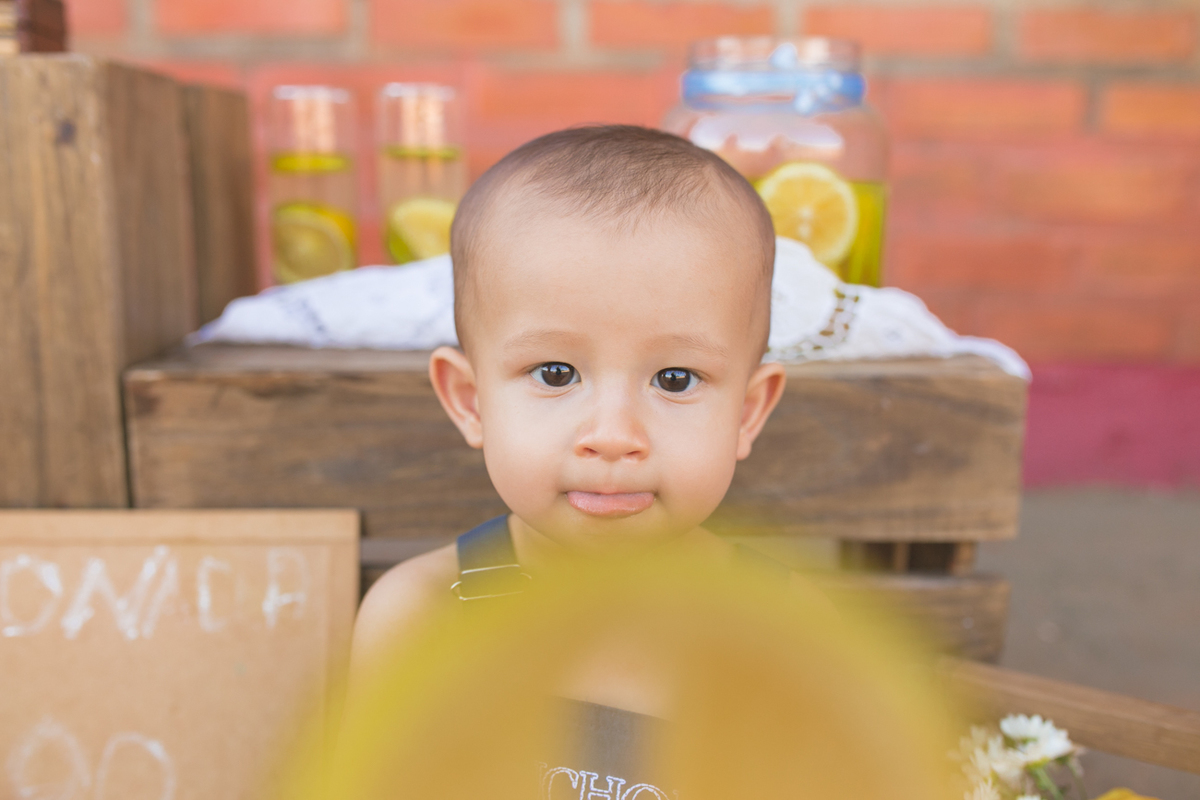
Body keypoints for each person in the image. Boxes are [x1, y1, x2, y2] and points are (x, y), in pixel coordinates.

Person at [347, 126, 813, 791]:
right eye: (557, 373)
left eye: (675, 379)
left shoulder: (787, 633)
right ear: (471, 401)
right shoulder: (422, 620)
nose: (614, 434)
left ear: (747, 411)